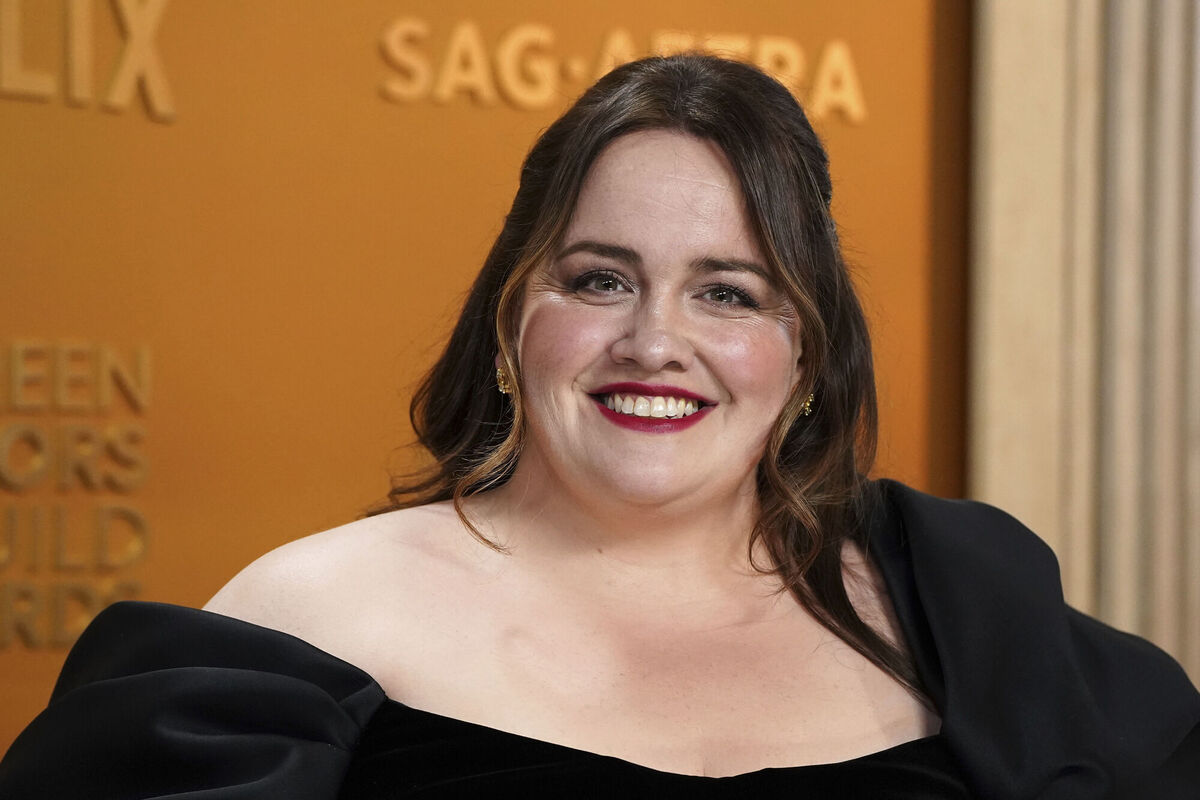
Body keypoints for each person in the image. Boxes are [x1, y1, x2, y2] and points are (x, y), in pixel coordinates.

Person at [0, 54, 1197, 799]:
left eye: (729, 291)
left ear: (807, 352)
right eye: (600, 278)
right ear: (516, 315)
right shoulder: (301, 621)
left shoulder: (961, 608)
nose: (654, 341)